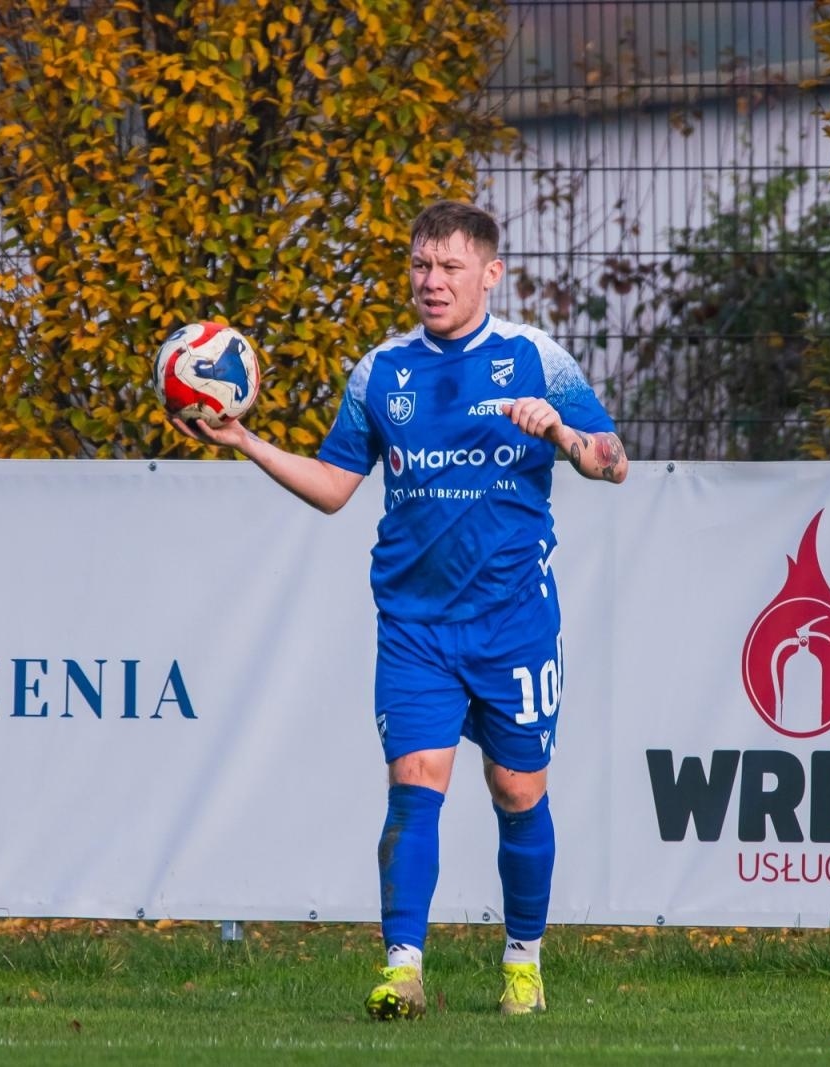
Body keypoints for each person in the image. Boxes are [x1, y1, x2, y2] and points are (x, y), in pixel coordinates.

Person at [172, 200, 628, 1018]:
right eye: (421, 265)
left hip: (515, 619)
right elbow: (335, 489)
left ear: (490, 273)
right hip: (415, 626)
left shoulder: (536, 359)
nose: (432, 281)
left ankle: (523, 962)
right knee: (415, 786)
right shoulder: (381, 372)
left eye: (450, 267)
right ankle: (403, 969)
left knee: (518, 790)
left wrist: (560, 432)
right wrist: (247, 443)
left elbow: (612, 464)